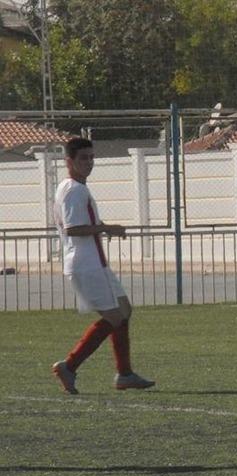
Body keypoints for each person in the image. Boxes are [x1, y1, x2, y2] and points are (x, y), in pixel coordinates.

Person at [51, 137, 155, 394]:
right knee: (114, 317)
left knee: (123, 310)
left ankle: (125, 374)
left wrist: (104, 228)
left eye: (91, 157)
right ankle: (70, 366)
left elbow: (81, 224)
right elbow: (74, 229)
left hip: (95, 262)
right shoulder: (75, 189)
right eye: (83, 158)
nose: (88, 163)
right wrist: (107, 227)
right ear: (69, 162)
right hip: (85, 264)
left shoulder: (71, 187)